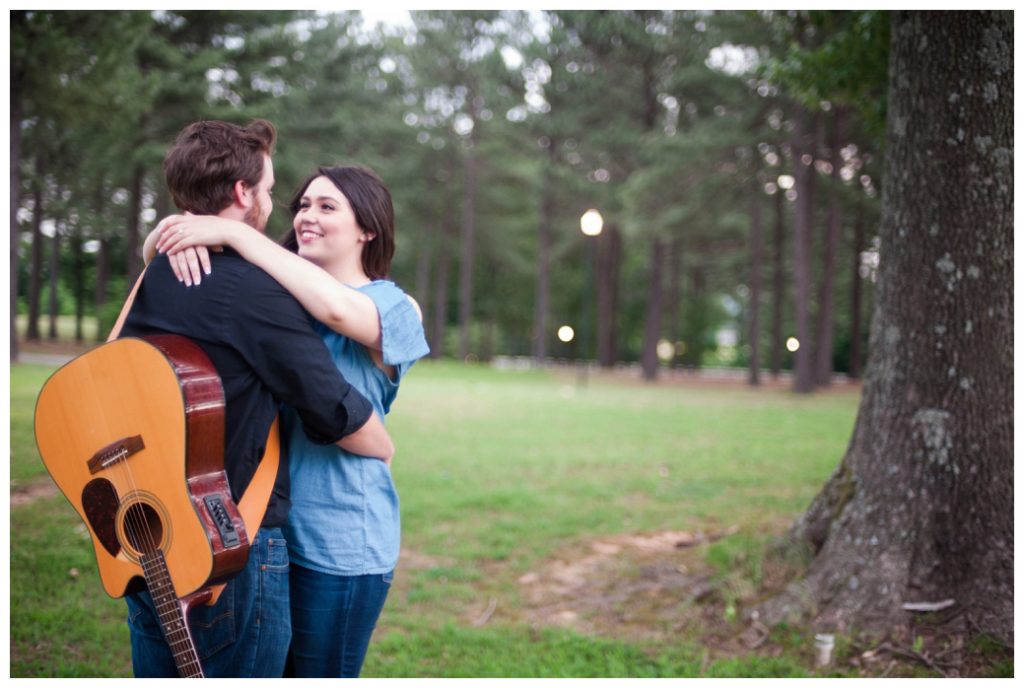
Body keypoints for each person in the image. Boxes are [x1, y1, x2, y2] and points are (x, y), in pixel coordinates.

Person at [114, 120, 395, 678]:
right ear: (243, 193)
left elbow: (109, 360)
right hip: (230, 535)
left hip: (158, 529)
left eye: (326, 206)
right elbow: (334, 408)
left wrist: (178, 239)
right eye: (273, 191)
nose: (288, 208)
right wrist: (382, 444)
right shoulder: (256, 290)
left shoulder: (161, 272)